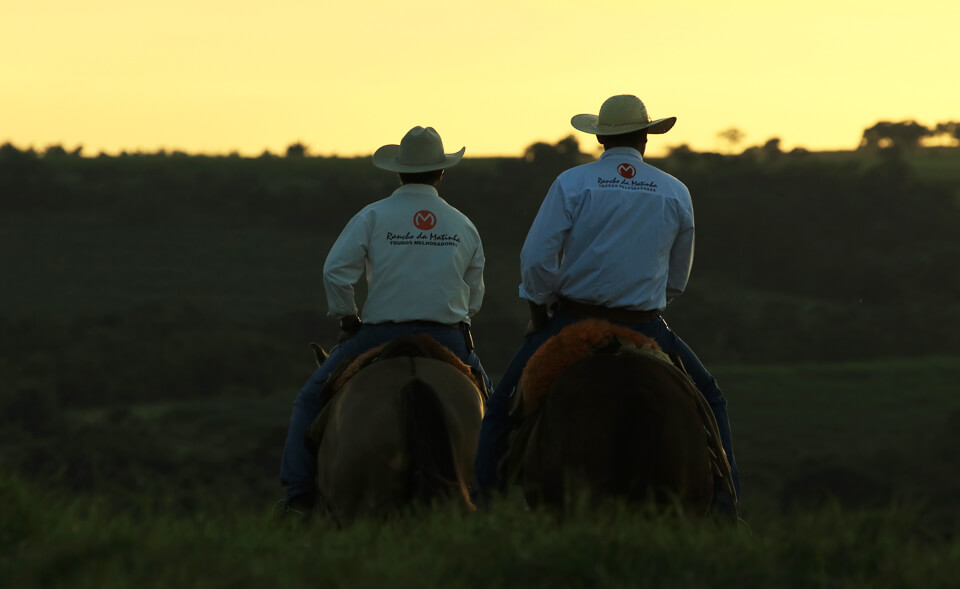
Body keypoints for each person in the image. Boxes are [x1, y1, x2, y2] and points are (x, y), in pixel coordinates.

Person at [473, 94, 741, 501]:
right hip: (645, 323)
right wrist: (647, 301)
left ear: (600, 138)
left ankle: (485, 505)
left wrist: (539, 309)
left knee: (499, 408)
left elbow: (536, 258)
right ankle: (728, 506)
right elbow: (676, 280)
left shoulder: (572, 183)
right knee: (712, 398)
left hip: (574, 320)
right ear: (646, 138)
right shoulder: (674, 191)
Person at [280, 126, 493, 513]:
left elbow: (335, 272)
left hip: (377, 335)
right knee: (491, 409)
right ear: (441, 172)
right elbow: (474, 291)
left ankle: (297, 499)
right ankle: (498, 498)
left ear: (398, 172)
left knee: (308, 402)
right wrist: (459, 315)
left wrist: (348, 318)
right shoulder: (463, 224)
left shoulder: (373, 216)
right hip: (448, 338)